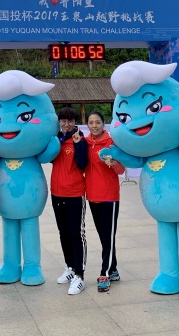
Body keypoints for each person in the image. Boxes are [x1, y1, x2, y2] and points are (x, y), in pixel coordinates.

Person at [85, 110, 125, 293]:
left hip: (109, 196)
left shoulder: (112, 142)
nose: (94, 126)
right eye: (91, 123)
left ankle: (105, 273)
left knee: (108, 236)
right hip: (92, 196)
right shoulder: (85, 143)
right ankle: (114, 269)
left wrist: (113, 164)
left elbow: (121, 169)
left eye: (98, 122)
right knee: (104, 236)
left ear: (103, 124)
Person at [51, 107, 88, 295]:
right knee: (63, 232)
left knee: (76, 233)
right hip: (57, 193)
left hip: (74, 193)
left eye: (70, 121)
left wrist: (78, 144)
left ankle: (80, 275)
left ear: (75, 122)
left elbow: (82, 164)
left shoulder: (80, 139)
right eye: (63, 121)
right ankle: (70, 268)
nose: (66, 124)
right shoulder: (56, 139)